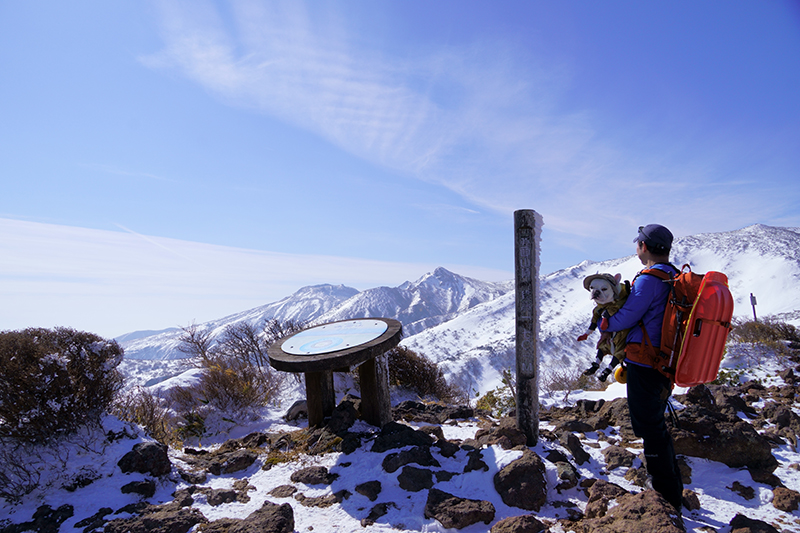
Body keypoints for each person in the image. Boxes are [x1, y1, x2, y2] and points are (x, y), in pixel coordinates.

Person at [598, 224, 684, 514]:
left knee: (650, 427)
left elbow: (627, 316)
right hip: (665, 360)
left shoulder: (650, 279)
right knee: (655, 424)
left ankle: (665, 495)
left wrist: (603, 324)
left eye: (638, 242)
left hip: (645, 361)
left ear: (644, 246)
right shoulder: (673, 275)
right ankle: (671, 488)